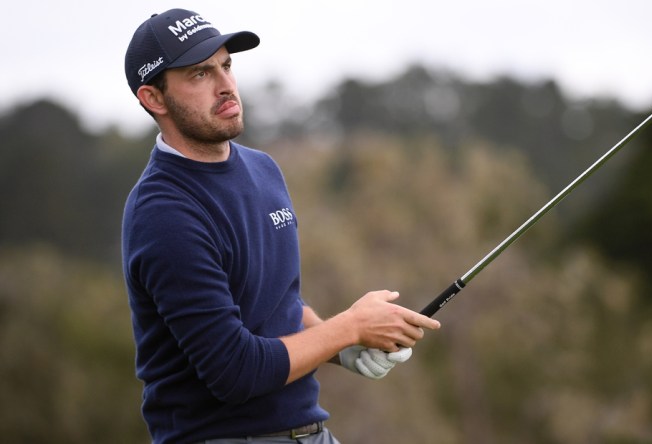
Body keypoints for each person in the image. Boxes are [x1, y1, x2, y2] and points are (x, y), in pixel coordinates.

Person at [121, 8, 440, 444]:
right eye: (199, 74)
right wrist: (349, 327)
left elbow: (275, 306)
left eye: (227, 65)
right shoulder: (163, 213)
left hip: (310, 433)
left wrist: (341, 349)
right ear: (154, 98)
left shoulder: (263, 169)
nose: (226, 85)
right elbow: (235, 372)